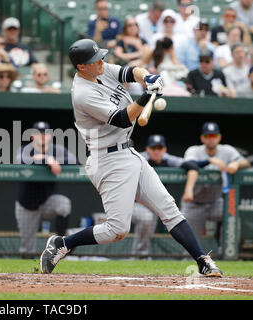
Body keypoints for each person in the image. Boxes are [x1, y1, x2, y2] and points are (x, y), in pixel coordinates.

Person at [39, 38, 223, 277]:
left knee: (169, 209)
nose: (102, 62)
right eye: (95, 60)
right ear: (82, 66)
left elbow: (129, 71)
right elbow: (122, 118)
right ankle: (63, 244)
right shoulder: (83, 93)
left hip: (128, 152)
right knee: (117, 230)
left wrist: (148, 78)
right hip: (107, 160)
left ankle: (202, 261)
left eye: (101, 57)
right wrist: (146, 97)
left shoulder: (101, 70)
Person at [181, 122, 250, 247]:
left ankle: (226, 252)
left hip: (215, 202)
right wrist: (209, 161)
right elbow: (189, 163)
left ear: (219, 137)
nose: (211, 139)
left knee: (232, 217)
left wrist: (237, 164)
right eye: (208, 136)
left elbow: (246, 162)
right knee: (189, 244)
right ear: (202, 138)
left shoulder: (227, 150)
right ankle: (190, 263)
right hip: (194, 203)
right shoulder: (194, 150)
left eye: (214, 135)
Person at [131, 134, 199, 257]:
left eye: (159, 148)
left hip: (153, 204)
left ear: (164, 150)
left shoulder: (168, 159)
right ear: (147, 149)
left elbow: (191, 165)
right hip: (133, 203)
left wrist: (209, 161)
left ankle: (141, 256)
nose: (156, 151)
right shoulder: (139, 159)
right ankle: (141, 255)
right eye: (153, 148)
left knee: (166, 216)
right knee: (146, 217)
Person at [15, 121, 76, 257]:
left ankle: (61, 245)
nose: (42, 136)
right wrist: (45, 160)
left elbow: (73, 159)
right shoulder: (26, 149)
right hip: (27, 205)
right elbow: (19, 160)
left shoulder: (56, 150)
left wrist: (51, 159)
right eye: (38, 134)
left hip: (47, 201)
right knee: (27, 250)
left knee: (63, 204)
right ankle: (25, 275)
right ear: (32, 136)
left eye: (45, 134)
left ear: (50, 136)